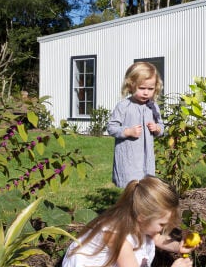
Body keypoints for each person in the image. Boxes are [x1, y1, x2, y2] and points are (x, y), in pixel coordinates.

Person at [61, 176, 196, 267]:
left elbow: (156, 238)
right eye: (162, 225)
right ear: (142, 217)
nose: (163, 229)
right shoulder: (118, 238)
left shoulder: (137, 219)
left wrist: (177, 247)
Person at [108, 61, 164, 188]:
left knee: (146, 187)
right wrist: (128, 131)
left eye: (150, 89)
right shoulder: (124, 106)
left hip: (147, 159)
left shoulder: (153, 106)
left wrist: (157, 128)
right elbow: (111, 127)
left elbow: (161, 125)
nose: (146, 93)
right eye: (142, 88)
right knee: (131, 187)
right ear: (131, 85)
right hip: (129, 158)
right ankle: (128, 207)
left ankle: (142, 207)